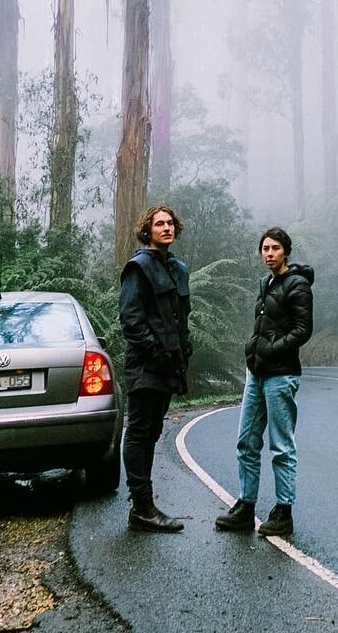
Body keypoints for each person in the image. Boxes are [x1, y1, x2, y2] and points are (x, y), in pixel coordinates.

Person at [214, 225, 313, 539]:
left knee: (281, 446)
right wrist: (252, 349)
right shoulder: (265, 283)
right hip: (256, 372)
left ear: (286, 252)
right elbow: (263, 325)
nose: (269, 254)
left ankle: (284, 511)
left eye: (275, 249)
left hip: (281, 375)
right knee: (246, 442)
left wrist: (270, 349)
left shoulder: (297, 285)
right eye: (265, 249)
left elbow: (302, 330)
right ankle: (246, 506)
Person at [118, 202, 192, 531]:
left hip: (168, 366)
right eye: (159, 224)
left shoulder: (177, 268)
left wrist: (182, 349)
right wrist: (155, 351)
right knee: (138, 432)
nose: (166, 228)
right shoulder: (139, 267)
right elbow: (131, 319)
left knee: (153, 431)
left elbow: (180, 317)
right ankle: (142, 506)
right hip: (145, 366)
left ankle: (143, 508)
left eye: (170, 223)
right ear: (147, 230)